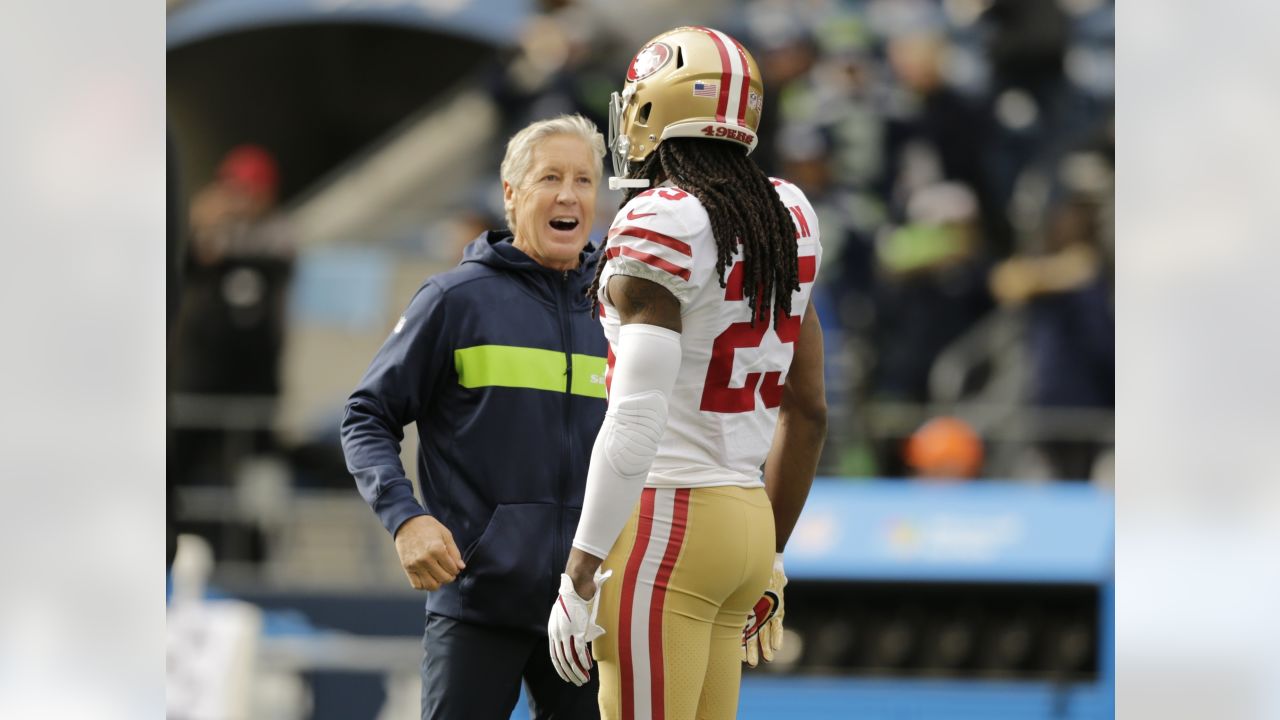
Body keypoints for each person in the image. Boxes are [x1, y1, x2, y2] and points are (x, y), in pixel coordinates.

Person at [543, 27, 828, 719]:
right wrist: (771, 552)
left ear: (651, 111)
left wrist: (580, 572)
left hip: (667, 520)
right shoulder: (787, 213)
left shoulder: (661, 220)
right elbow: (810, 409)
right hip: (747, 521)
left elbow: (637, 416)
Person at [341, 115, 609, 720]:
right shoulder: (454, 300)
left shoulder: (622, 308)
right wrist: (407, 520)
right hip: (477, 606)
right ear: (511, 195)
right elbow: (365, 416)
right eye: (550, 178)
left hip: (589, 610)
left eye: (585, 181)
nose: (569, 195)